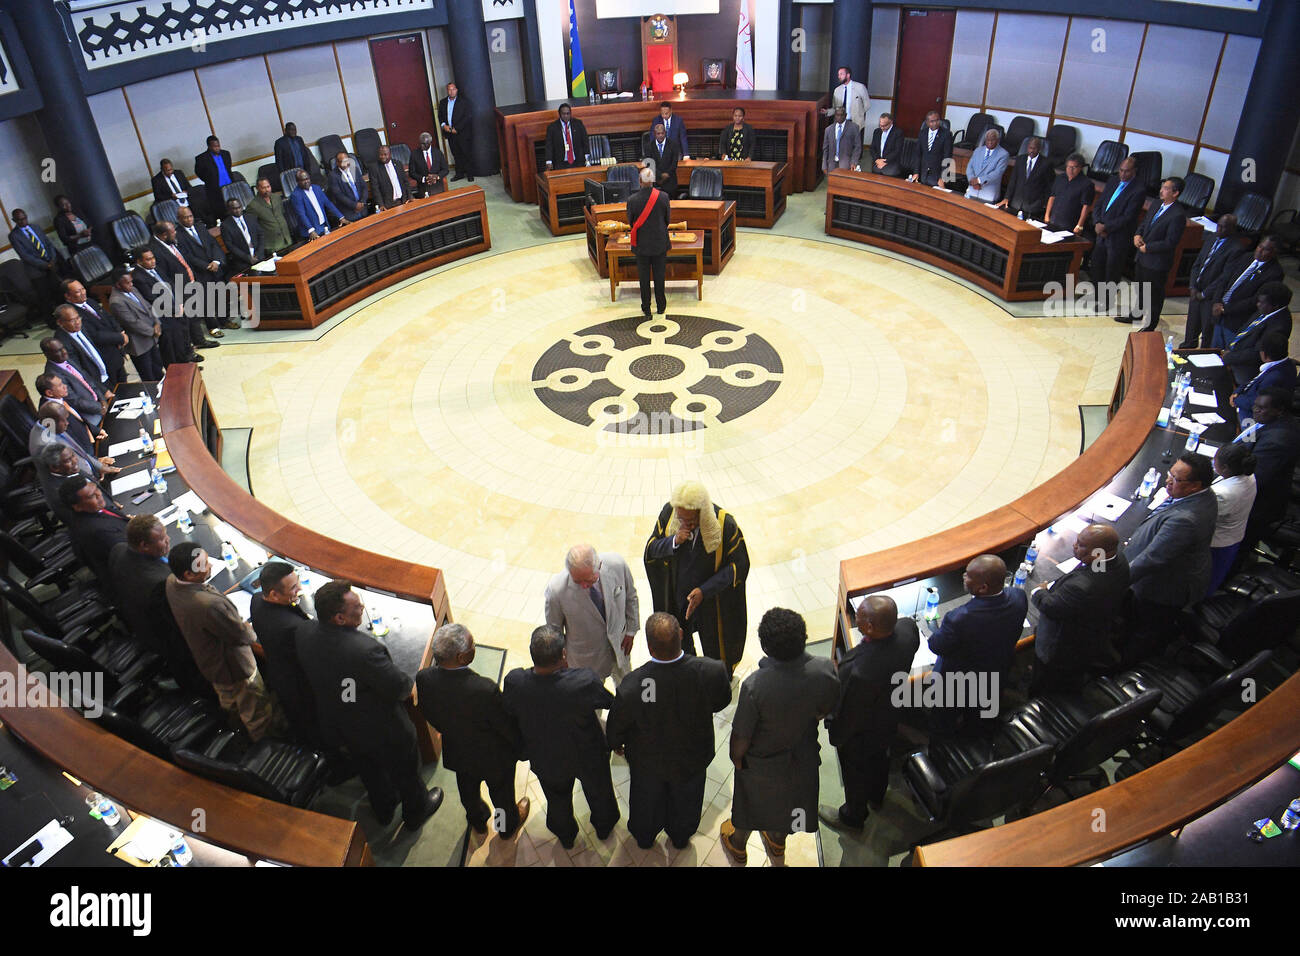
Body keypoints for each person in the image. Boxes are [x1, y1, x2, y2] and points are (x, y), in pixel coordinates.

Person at [297, 580, 443, 829]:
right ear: (340, 618)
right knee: (406, 770)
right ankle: (416, 809)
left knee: (369, 769)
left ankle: (384, 807)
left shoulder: (304, 631)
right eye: (356, 606)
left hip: (340, 724)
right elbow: (399, 688)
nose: (362, 606)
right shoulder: (364, 650)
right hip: (381, 729)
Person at [720, 608, 838, 865]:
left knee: (751, 807)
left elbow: (740, 740)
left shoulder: (755, 686)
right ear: (804, 637)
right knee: (790, 805)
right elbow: (827, 707)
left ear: (765, 647)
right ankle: (776, 842)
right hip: (803, 758)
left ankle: (737, 846)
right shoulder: (825, 669)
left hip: (762, 764)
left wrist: (737, 760)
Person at [605, 612, 732, 850]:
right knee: (687, 801)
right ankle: (681, 837)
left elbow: (617, 725)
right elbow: (722, 700)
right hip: (692, 758)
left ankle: (644, 838)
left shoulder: (633, 685)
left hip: (647, 763)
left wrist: (616, 743)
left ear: (650, 648)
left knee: (646, 803)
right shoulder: (712, 671)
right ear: (681, 636)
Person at [502, 625, 619, 848]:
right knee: (600, 794)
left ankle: (566, 837)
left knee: (557, 799)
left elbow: (508, 712)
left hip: (545, 757)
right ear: (563, 655)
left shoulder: (515, 682)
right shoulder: (583, 681)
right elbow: (609, 702)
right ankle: (604, 829)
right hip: (587, 755)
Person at [415, 623, 529, 839]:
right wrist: (521, 749)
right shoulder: (485, 689)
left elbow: (427, 712)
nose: (474, 647)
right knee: (502, 796)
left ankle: (478, 821)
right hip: (493, 758)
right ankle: (504, 827)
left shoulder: (424, 678)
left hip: (458, 752)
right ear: (460, 657)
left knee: (468, 791)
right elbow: (506, 727)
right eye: (472, 645)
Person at [820, 595, 919, 831]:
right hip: (890, 715)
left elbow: (848, 713)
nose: (856, 619)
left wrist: (838, 737)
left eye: (860, 617)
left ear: (871, 627)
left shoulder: (858, 670)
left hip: (862, 732)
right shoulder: (908, 630)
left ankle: (853, 816)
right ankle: (877, 797)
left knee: (855, 773)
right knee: (881, 758)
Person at [166, 541, 280, 740]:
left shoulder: (171, 582)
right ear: (188, 575)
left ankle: (237, 733)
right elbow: (242, 636)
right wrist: (248, 628)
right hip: (234, 667)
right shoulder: (209, 605)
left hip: (210, 663)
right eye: (204, 564)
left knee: (230, 703)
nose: (210, 565)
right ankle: (267, 746)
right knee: (256, 711)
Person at [644, 480, 749, 674]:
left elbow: (739, 566)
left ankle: (717, 680)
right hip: (678, 600)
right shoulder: (670, 514)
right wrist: (673, 541)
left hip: (712, 603)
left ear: (702, 512)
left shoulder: (725, 524)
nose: (684, 523)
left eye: (690, 520)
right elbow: (651, 549)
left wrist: (704, 591)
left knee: (715, 650)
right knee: (681, 644)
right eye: (680, 518)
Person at [1123, 452, 1217, 661]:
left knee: (1145, 630)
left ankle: (1128, 668)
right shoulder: (1203, 495)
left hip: (1164, 589)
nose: (1167, 480)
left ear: (1195, 485)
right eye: (1170, 473)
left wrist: (1113, 582)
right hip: (1176, 573)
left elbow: (1152, 559)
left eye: (1175, 479)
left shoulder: (1186, 520)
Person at [925, 554, 1027, 731]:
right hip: (996, 675)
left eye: (968, 576)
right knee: (977, 721)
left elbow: (936, 645)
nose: (964, 577)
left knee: (943, 723)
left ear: (983, 587)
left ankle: (943, 748)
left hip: (957, 685)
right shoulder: (1018, 596)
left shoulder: (960, 618)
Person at [1029, 525, 1130, 693]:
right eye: (1077, 540)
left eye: (1081, 545)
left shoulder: (1083, 586)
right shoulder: (1116, 559)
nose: (1074, 545)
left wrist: (1039, 591)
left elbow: (1050, 606)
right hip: (1091, 634)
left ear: (1098, 553)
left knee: (1044, 685)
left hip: (1060, 649)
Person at [249, 562, 321, 747]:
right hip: (300, 685)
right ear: (274, 594)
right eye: (293, 587)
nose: (300, 589)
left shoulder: (256, 600)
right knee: (313, 726)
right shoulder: (293, 627)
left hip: (278, 674)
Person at [544, 543, 639, 684]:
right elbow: (555, 632)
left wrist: (631, 631)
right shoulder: (556, 591)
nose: (583, 586)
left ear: (599, 566)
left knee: (627, 691)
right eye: (577, 581)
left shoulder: (617, 564)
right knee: (591, 704)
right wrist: (561, 662)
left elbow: (631, 597)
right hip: (584, 661)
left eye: (588, 580)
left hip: (620, 649)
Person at [1239, 388, 1300, 556]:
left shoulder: (1278, 439)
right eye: (1255, 405)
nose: (1255, 410)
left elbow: (1252, 479)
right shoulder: (1268, 421)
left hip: (1257, 510)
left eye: (1262, 408)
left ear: (1279, 410)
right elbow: (1247, 441)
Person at [1122, 177, 1186, 332]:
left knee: (1154, 294)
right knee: (1140, 287)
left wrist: (1149, 247)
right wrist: (1137, 235)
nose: (1161, 190)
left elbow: (1171, 242)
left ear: (1175, 193)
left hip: (1157, 261)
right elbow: (1145, 223)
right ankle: (1137, 314)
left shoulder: (1177, 215)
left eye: (1165, 188)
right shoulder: (1157, 204)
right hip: (1142, 257)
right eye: (1162, 187)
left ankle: (1151, 324)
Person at [1199, 236, 1283, 348]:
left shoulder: (1274, 273)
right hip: (1219, 312)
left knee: (1229, 353)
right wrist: (1217, 302)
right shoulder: (1246, 257)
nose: (1260, 251)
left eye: (1265, 249)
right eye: (1259, 246)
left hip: (1237, 320)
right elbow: (1224, 279)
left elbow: (1256, 300)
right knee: (1214, 349)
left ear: (1274, 253)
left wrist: (1226, 309)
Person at [151, 221, 218, 350]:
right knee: (190, 317)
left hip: (191, 281)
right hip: (179, 287)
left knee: (195, 314)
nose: (175, 233)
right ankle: (196, 343)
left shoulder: (170, 242)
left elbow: (185, 257)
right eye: (172, 232)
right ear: (164, 235)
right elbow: (164, 275)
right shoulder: (155, 250)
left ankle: (199, 339)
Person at [175, 206, 240, 337]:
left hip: (215, 267)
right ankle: (213, 327)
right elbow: (187, 256)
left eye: (190, 216)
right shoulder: (178, 235)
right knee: (206, 300)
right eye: (185, 217)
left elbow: (213, 244)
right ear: (179, 219)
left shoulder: (200, 227)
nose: (189, 219)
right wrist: (206, 265)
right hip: (200, 271)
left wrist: (216, 261)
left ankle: (224, 320)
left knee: (220, 293)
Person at [1180, 214, 1243, 348]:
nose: (1219, 229)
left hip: (1211, 297)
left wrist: (1204, 294)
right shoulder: (1211, 237)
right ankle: (1186, 349)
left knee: (1207, 334)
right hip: (1196, 291)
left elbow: (1224, 277)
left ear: (1232, 229)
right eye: (1218, 225)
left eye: (1223, 227)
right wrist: (1192, 286)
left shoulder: (1236, 248)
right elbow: (1198, 263)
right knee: (1191, 328)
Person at [1216, 282, 1292, 386]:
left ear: (1275, 305)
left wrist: (1230, 357)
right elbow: (1245, 328)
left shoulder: (1279, 326)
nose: (1257, 304)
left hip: (1246, 369)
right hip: (1234, 354)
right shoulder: (1266, 310)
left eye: (1261, 302)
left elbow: (1257, 353)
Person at [132, 248, 199, 366]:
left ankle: (187, 360)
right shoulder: (138, 277)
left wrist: (179, 303)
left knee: (183, 335)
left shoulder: (155, 267)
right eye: (148, 259)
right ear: (139, 262)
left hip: (176, 305)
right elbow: (152, 299)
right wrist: (174, 310)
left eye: (153, 258)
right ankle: (179, 368)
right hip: (164, 315)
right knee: (172, 344)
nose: (153, 261)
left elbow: (170, 284)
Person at [1207, 443, 1258, 594]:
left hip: (1217, 544)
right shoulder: (1249, 475)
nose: (1212, 462)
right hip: (1234, 535)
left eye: (1215, 460)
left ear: (1225, 468)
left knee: (1205, 584)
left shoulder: (1224, 493)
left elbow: (1202, 516)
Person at [59, 476, 128, 586]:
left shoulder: (91, 510)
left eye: (97, 489)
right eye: (92, 496)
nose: (99, 495)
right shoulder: (98, 531)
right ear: (77, 507)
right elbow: (131, 555)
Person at [58, 281, 128, 389]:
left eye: (83, 289)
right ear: (68, 296)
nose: (82, 293)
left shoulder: (90, 302)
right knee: (117, 390)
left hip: (116, 352)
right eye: (78, 291)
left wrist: (120, 332)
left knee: (125, 384)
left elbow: (108, 317)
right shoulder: (72, 313)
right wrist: (119, 338)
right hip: (105, 359)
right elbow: (95, 336)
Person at [1090, 157, 1145, 286]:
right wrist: (1097, 222)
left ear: (1134, 171)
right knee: (1097, 266)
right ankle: (1097, 295)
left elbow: (1128, 217)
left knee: (1112, 271)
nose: (1123, 174)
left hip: (1118, 237)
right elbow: (1099, 204)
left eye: (1127, 171)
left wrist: (1106, 227)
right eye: (1121, 170)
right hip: (1101, 233)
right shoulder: (1113, 180)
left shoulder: (1138, 190)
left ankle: (1107, 300)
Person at [626, 165, 671, 317]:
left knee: (643, 278)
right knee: (660, 276)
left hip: (641, 244)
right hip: (659, 242)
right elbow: (667, 220)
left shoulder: (632, 200)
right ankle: (661, 306)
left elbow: (631, 223)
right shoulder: (664, 197)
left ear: (639, 181)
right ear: (652, 181)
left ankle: (646, 308)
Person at [107, 270, 164, 382]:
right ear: (118, 285)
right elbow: (133, 323)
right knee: (148, 375)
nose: (131, 284)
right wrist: (153, 331)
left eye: (131, 281)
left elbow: (148, 306)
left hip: (152, 337)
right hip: (139, 344)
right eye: (127, 283)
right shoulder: (116, 301)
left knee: (158, 367)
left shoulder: (133, 289)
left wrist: (157, 322)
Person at [41, 335, 105, 430]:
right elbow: (75, 401)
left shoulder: (66, 360)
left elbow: (87, 379)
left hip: (98, 403)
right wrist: (100, 408)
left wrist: (102, 399)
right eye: (58, 351)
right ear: (47, 354)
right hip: (88, 415)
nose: (64, 352)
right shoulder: (53, 375)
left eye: (63, 348)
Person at [7, 208, 64, 309]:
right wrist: (45, 265)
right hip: (36, 271)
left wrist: (52, 259)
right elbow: (25, 255)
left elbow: (48, 244)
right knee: (45, 299)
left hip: (51, 264)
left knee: (58, 292)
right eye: (19, 220)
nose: (23, 221)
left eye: (24, 218)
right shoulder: (14, 235)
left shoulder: (35, 227)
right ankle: (52, 323)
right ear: (14, 220)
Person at [1231, 333, 1296, 422]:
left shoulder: (1274, 377)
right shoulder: (1286, 363)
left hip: (1251, 417)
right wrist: (1237, 392)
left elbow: (1257, 404)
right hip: (1247, 398)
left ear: (1264, 355)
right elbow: (1254, 381)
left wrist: (1236, 399)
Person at [995, 137, 1052, 220]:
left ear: (1039, 149)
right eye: (1030, 148)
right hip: (1015, 203)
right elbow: (1013, 180)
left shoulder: (1046, 164)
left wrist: (1042, 204)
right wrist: (1007, 197)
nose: (1032, 151)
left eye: (1034, 148)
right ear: (1027, 147)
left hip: (1033, 206)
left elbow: (1049, 187)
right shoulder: (1020, 159)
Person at [287, 168, 345, 241]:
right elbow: (301, 214)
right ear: (297, 182)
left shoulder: (316, 188)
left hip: (324, 226)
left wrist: (341, 217)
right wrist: (311, 230)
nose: (306, 182)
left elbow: (328, 203)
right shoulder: (296, 195)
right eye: (303, 180)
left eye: (307, 179)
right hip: (311, 231)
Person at [1044, 153, 1094, 236]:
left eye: (1074, 167)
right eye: (1068, 166)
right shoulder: (1060, 178)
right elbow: (1052, 197)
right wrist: (1047, 215)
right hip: (1053, 220)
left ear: (1081, 168)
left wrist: (1079, 225)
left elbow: (1086, 206)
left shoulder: (1087, 184)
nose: (1070, 170)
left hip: (1070, 224)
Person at [245, 177, 295, 255]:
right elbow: (253, 227)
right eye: (263, 188)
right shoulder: (252, 206)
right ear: (257, 188)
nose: (267, 190)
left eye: (268, 187)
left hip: (287, 239)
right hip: (272, 244)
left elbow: (282, 213)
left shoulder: (276, 197)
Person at [194, 136, 237, 223]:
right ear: (209, 147)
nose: (217, 148)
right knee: (222, 213)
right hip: (215, 190)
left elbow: (228, 167)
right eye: (214, 146)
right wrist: (210, 180)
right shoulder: (202, 158)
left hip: (229, 187)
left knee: (234, 208)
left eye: (218, 145)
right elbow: (199, 173)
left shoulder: (226, 154)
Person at [438, 82, 475, 182]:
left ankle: (470, 174)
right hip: (450, 133)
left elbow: (467, 117)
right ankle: (459, 174)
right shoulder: (443, 102)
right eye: (449, 89)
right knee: (456, 154)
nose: (451, 91)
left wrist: (456, 129)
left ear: (456, 90)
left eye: (453, 89)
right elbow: (440, 116)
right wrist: (443, 125)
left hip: (462, 133)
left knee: (466, 153)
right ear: (447, 91)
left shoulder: (463, 102)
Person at [963, 127, 1009, 202]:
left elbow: (997, 173)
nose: (990, 142)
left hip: (988, 191)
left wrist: (979, 180)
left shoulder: (1003, 154)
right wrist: (972, 180)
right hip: (972, 188)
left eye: (993, 140)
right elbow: (970, 167)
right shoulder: (978, 150)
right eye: (988, 140)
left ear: (998, 140)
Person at [219, 198, 264, 275]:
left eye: (239, 207)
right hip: (243, 263)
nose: (238, 210)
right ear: (229, 210)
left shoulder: (251, 218)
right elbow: (230, 246)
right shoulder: (225, 226)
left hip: (259, 257)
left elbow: (261, 235)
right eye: (234, 209)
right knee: (254, 285)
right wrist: (248, 258)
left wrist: (259, 253)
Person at [911, 111, 953, 188]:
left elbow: (947, 157)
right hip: (923, 173)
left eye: (937, 120)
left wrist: (942, 178)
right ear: (927, 122)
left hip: (937, 175)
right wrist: (916, 172)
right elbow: (918, 154)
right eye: (932, 121)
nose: (935, 123)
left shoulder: (946, 134)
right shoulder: (922, 133)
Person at [326, 152, 370, 220]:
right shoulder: (333, 176)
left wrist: (362, 202)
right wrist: (355, 205)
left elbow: (364, 187)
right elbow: (339, 195)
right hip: (349, 212)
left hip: (363, 208)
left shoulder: (355, 169)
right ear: (337, 163)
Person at [825, 66, 870, 133]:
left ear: (848, 75)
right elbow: (835, 108)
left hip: (855, 122)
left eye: (841, 74)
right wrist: (826, 112)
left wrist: (859, 113)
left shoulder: (860, 87)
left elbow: (867, 105)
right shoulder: (837, 90)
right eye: (838, 74)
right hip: (840, 123)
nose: (839, 76)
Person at [544, 104, 589, 170]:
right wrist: (548, 161)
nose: (566, 116)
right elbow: (549, 145)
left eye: (568, 114)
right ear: (559, 114)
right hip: (560, 163)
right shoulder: (552, 127)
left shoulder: (578, 124)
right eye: (563, 114)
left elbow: (585, 141)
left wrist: (587, 159)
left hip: (578, 162)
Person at [367, 144, 411, 209]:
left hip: (403, 201)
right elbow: (375, 189)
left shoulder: (398, 164)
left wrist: (410, 197)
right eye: (381, 155)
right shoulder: (374, 168)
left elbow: (405, 182)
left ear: (390, 154)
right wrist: (381, 205)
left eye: (385, 154)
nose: (382, 157)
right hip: (388, 205)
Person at [822, 106, 862, 173]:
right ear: (835, 116)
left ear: (846, 115)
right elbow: (825, 149)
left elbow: (857, 147)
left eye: (842, 115)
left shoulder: (854, 128)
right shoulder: (828, 130)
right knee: (832, 182)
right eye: (837, 115)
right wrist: (824, 165)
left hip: (847, 163)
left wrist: (854, 162)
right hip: (832, 163)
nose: (839, 117)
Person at [408, 133, 450, 198]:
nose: (422, 146)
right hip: (423, 187)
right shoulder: (414, 154)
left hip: (437, 186)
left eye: (424, 144)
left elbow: (445, 169)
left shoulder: (438, 152)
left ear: (430, 143)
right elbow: (412, 172)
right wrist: (424, 179)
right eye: (421, 143)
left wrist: (437, 176)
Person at [646, 122, 681, 197]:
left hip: (670, 180)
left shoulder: (673, 144)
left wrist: (667, 174)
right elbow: (649, 164)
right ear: (655, 134)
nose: (661, 135)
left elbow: (674, 162)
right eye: (658, 134)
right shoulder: (649, 146)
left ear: (665, 133)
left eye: (662, 133)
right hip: (655, 181)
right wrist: (660, 175)